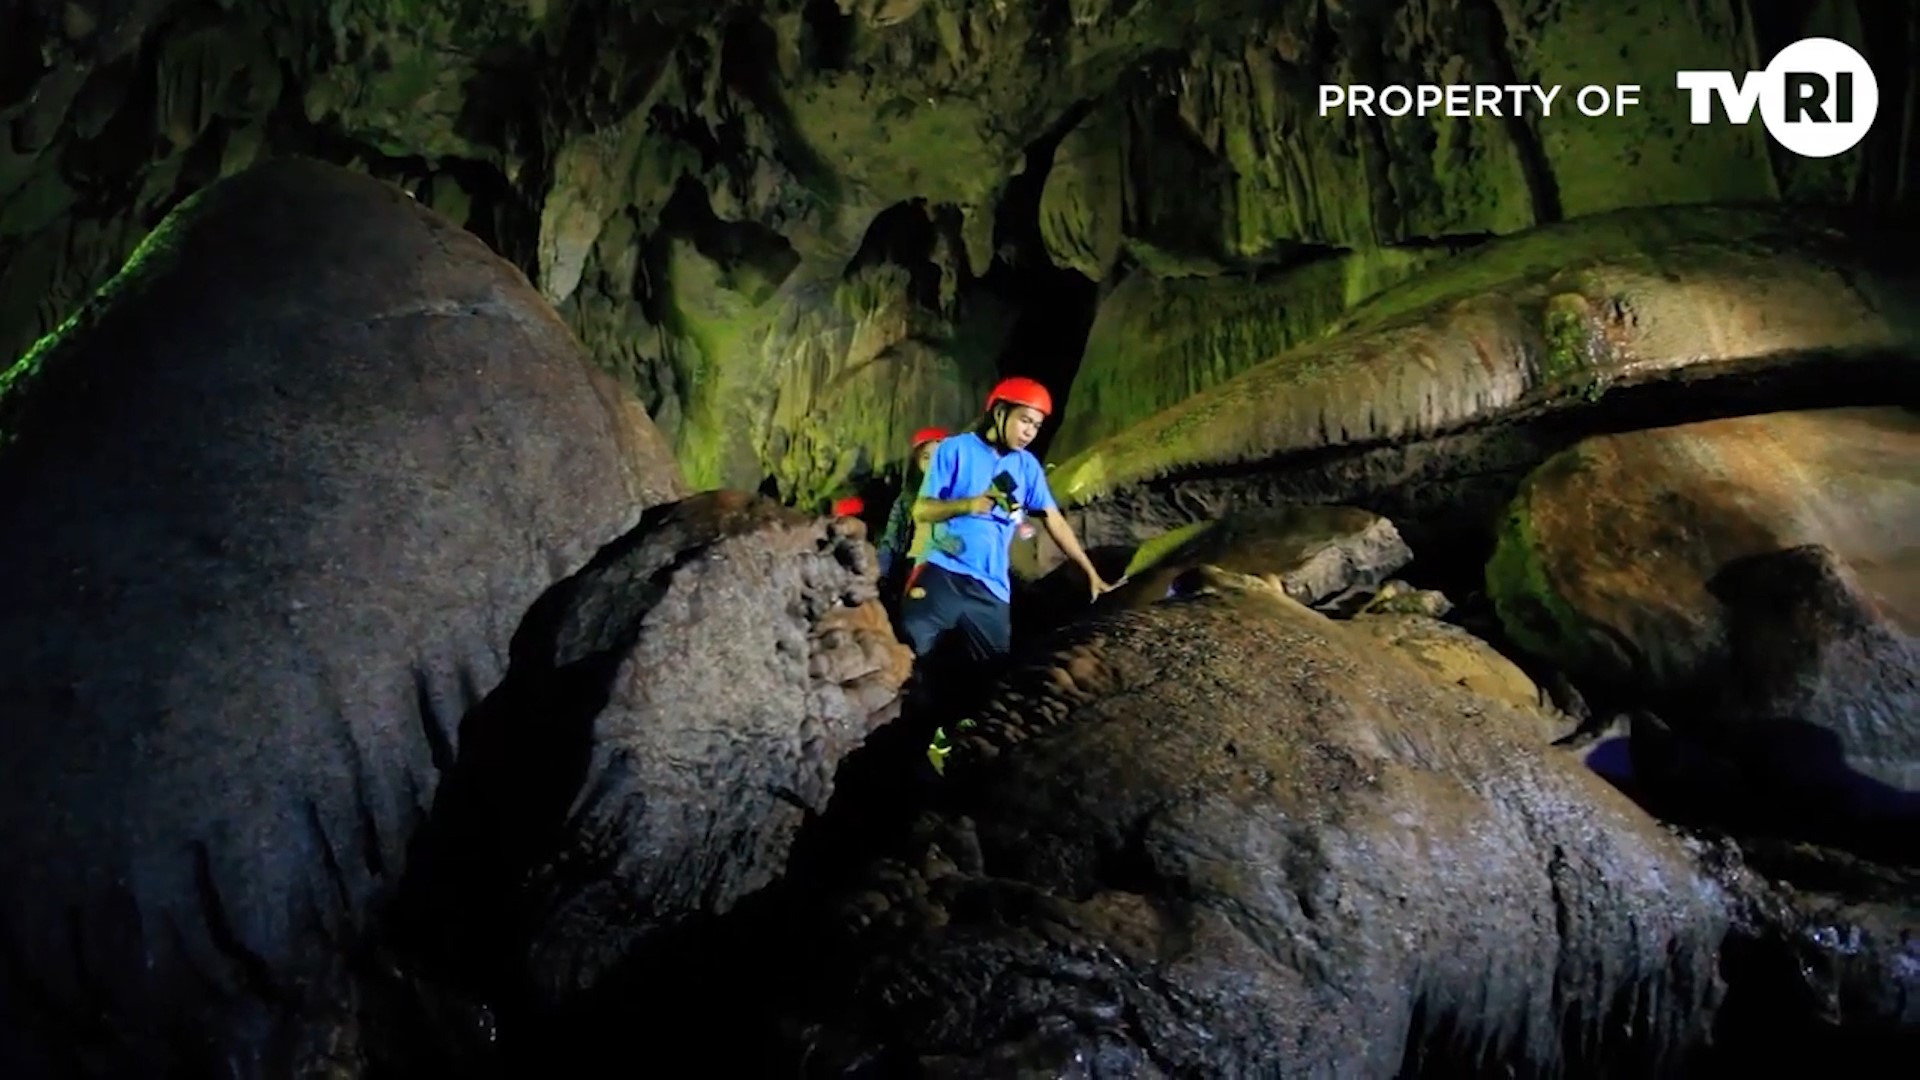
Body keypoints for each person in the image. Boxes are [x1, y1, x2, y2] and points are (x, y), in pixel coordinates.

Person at [900, 376, 1114, 672]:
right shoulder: (956, 450)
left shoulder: (1027, 466)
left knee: (994, 675)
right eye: (1025, 420)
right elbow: (921, 510)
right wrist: (968, 504)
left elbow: (1054, 520)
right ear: (1000, 413)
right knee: (911, 652)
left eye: (1036, 426)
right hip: (943, 571)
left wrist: (1089, 571)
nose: (1030, 432)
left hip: (992, 588)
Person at [875, 426, 948, 599]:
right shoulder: (907, 499)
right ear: (917, 462)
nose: (933, 464)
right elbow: (891, 539)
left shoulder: (964, 496)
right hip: (913, 567)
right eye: (926, 457)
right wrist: (881, 574)